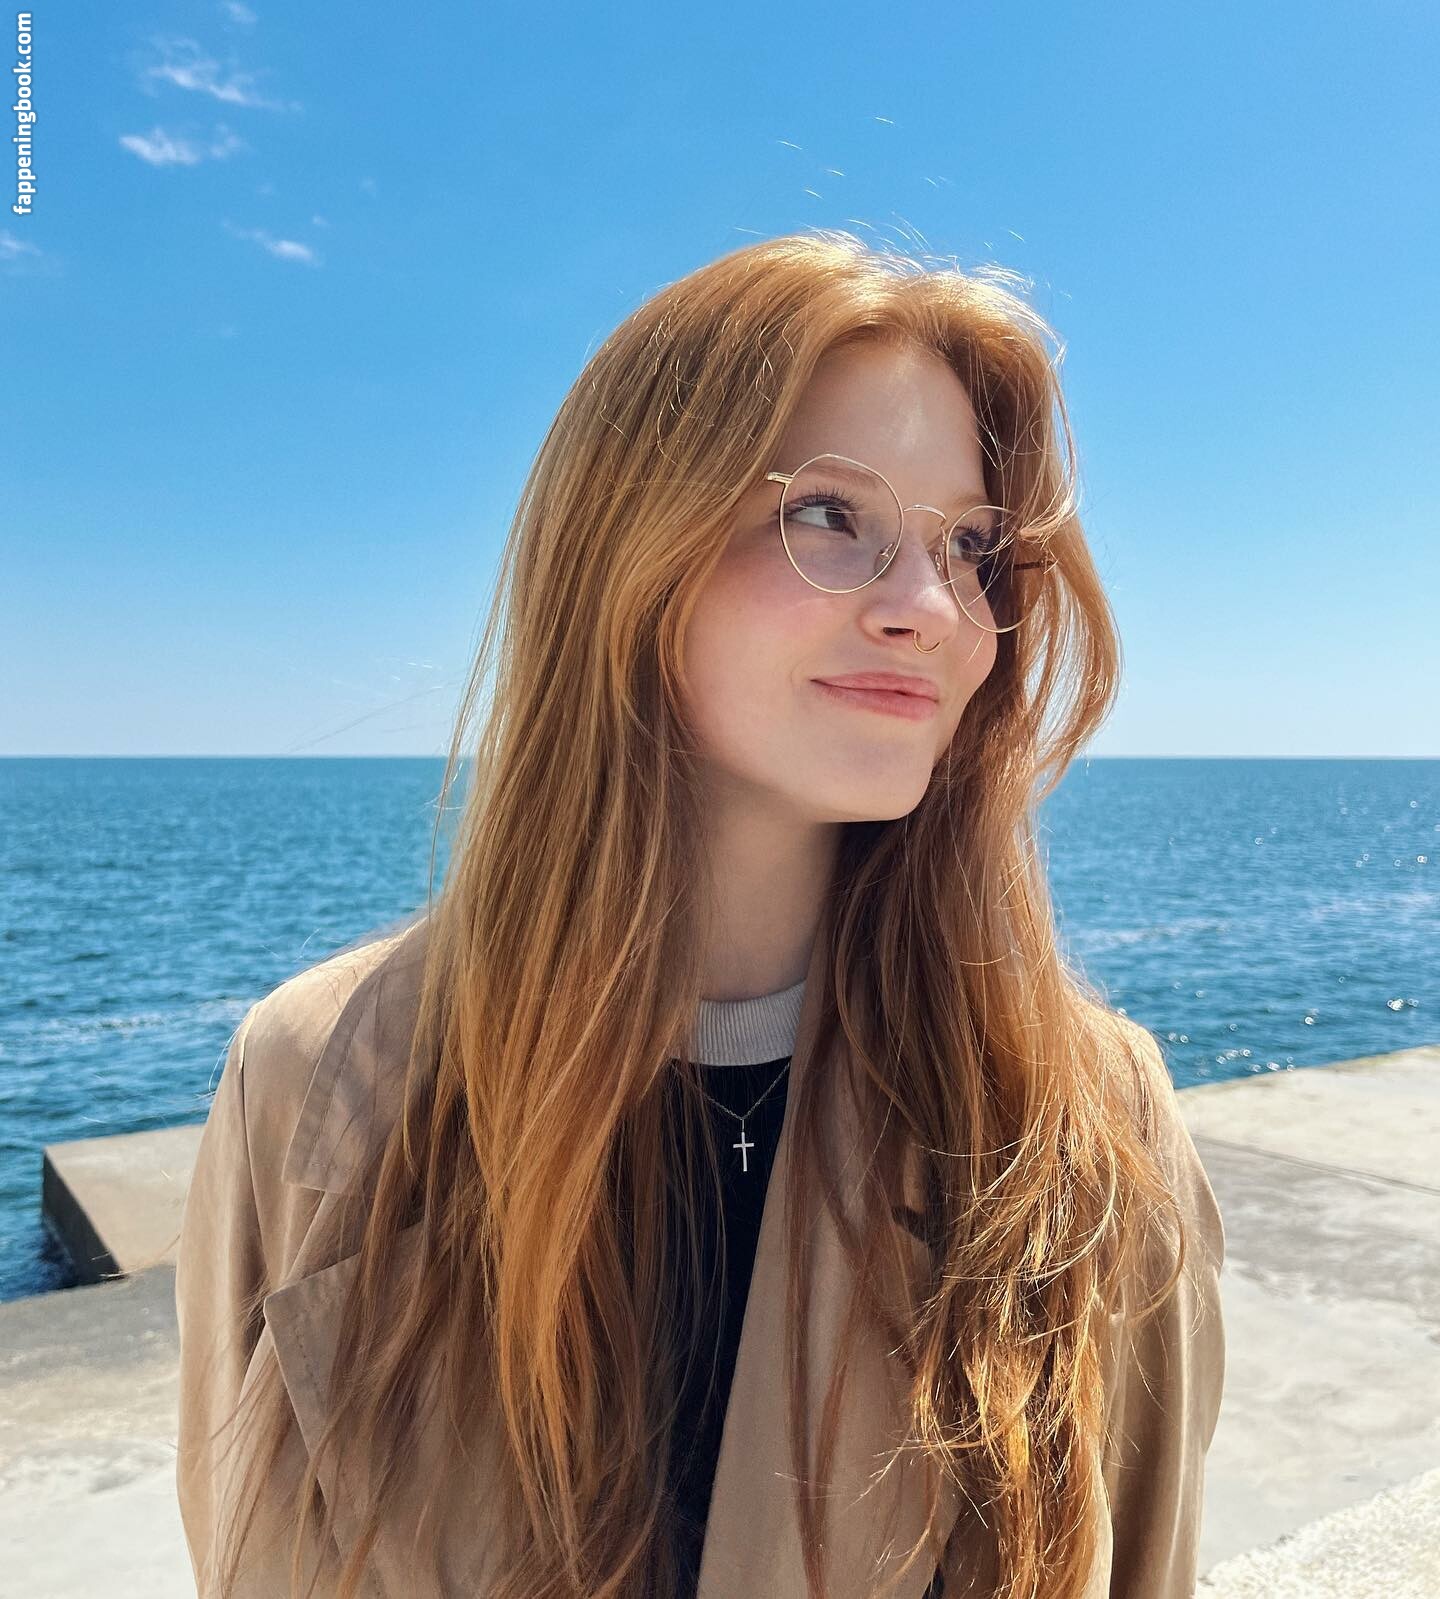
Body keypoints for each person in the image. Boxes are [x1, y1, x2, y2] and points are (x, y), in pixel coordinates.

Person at [175, 229, 1226, 1599]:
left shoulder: (1078, 1125)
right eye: (830, 514)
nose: (933, 607)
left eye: (972, 545)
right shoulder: (322, 1083)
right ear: (626, 549)